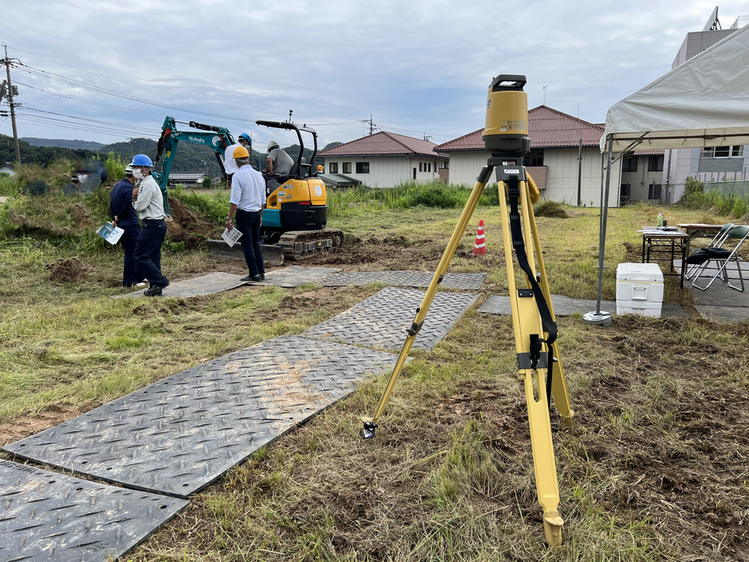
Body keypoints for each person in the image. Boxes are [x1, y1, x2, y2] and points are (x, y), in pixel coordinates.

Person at [130, 154, 170, 297]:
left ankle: (159, 281)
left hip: (152, 224)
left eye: (137, 167)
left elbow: (140, 206)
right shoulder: (148, 183)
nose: (134, 170)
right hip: (158, 224)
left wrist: (133, 200)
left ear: (146, 169)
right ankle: (155, 288)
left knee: (139, 255)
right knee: (153, 257)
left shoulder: (147, 184)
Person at [226, 145, 265, 282]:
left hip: (244, 214)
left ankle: (253, 274)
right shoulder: (259, 175)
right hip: (256, 214)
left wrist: (229, 218)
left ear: (237, 161)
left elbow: (234, 200)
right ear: (248, 159)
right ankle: (261, 272)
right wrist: (260, 216)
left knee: (247, 246)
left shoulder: (238, 176)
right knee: (256, 244)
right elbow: (262, 200)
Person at [110, 165, 142, 287]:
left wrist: (114, 218)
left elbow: (111, 206)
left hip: (120, 226)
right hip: (130, 225)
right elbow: (128, 206)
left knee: (130, 252)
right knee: (132, 253)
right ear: (134, 175)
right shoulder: (129, 188)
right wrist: (120, 217)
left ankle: (136, 277)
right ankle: (130, 282)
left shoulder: (116, 186)